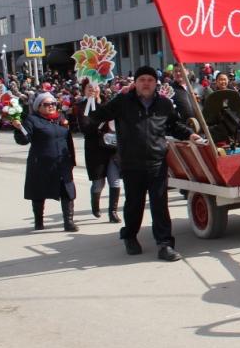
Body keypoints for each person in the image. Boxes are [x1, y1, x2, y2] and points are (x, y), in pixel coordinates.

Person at [90, 65, 201, 261]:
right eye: (142, 80)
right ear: (136, 82)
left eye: (150, 80)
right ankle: (130, 236)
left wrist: (190, 134)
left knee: (160, 205)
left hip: (157, 162)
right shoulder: (123, 101)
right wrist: (95, 98)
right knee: (134, 204)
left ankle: (165, 245)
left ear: (155, 83)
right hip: (131, 163)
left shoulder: (164, 103)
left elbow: (173, 125)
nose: (146, 83)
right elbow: (97, 116)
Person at [10, 91, 77, 232]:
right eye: (47, 104)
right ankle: (39, 221)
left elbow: (67, 139)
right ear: (38, 106)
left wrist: (71, 159)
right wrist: (18, 128)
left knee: (67, 191)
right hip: (40, 163)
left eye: (53, 103)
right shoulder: (32, 120)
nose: (51, 106)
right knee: (39, 193)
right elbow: (24, 140)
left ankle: (69, 222)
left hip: (62, 162)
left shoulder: (60, 118)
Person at [78, 83, 122, 223]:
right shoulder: (81, 107)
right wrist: (100, 121)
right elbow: (86, 128)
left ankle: (113, 212)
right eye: (89, 88)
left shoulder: (107, 103)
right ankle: (95, 205)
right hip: (95, 150)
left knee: (115, 181)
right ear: (84, 90)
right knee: (99, 183)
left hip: (112, 148)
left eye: (95, 87)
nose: (93, 90)